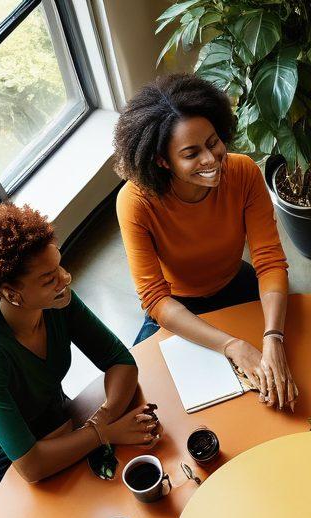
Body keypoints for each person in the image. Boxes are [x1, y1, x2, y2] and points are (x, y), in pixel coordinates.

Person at [0, 202, 160, 501]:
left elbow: (121, 362)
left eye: (59, 266)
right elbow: (31, 466)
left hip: (55, 419)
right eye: (49, 278)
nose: (65, 278)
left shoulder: (54, 299)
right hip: (7, 462)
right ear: (13, 294)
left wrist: (102, 421)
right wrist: (105, 434)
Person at [114, 73, 297, 411]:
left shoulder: (243, 172)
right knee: (144, 399)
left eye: (213, 143)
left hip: (236, 284)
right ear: (162, 160)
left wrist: (273, 337)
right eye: (191, 153)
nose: (212, 160)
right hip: (175, 306)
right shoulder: (135, 202)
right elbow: (155, 298)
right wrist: (231, 345)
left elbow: (269, 261)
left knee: (290, 366)